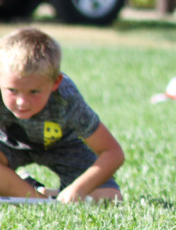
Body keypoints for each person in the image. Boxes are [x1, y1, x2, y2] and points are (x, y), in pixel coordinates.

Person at [0, 27, 124, 202]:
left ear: (55, 82)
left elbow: (113, 152)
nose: (22, 102)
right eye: (12, 90)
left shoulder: (67, 100)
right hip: (9, 145)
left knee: (110, 198)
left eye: (34, 92)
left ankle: (40, 194)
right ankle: (38, 197)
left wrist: (78, 189)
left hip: (63, 146)